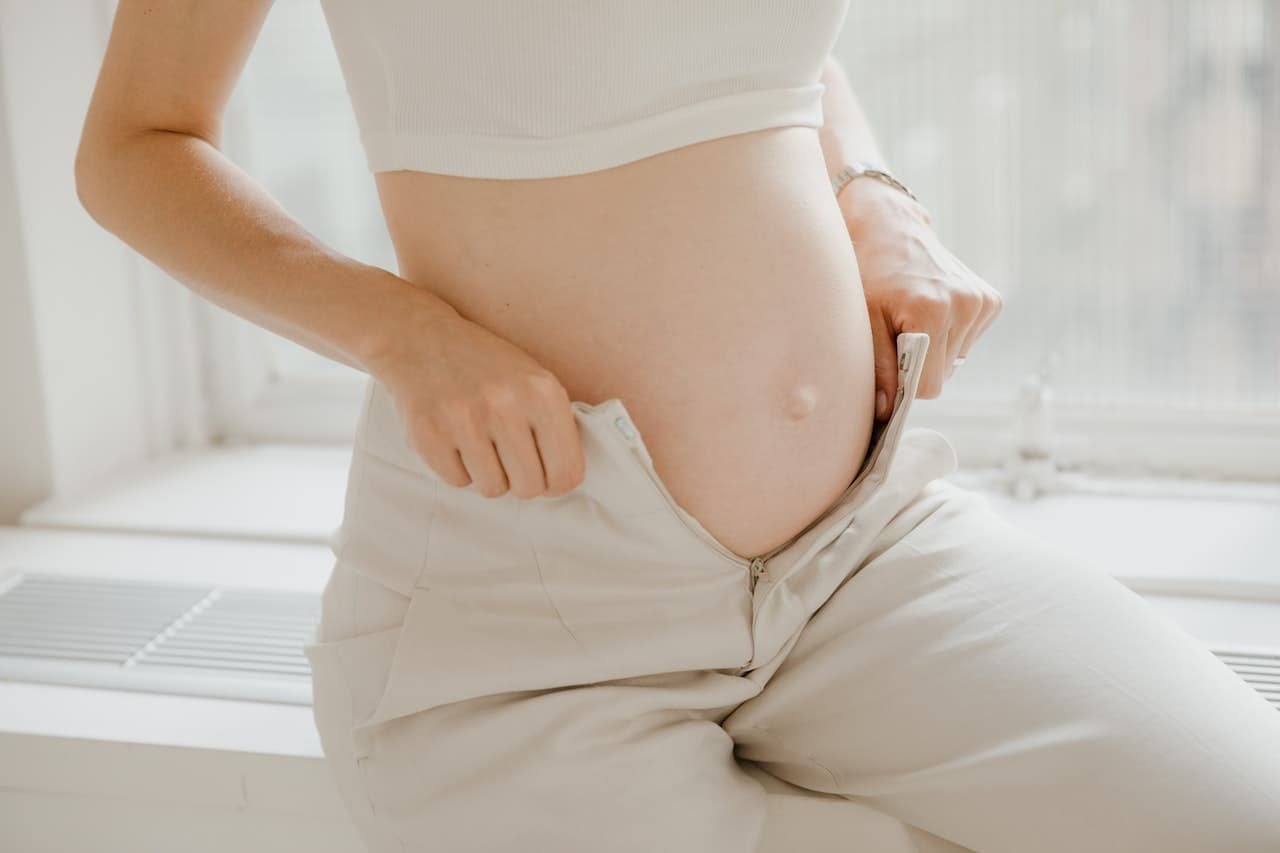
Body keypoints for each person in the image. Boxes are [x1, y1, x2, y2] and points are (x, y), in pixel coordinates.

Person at [74, 2, 1280, 852]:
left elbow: (750, 46)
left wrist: (869, 191)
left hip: (856, 549)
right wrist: (400, 332)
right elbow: (136, 145)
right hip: (526, 631)